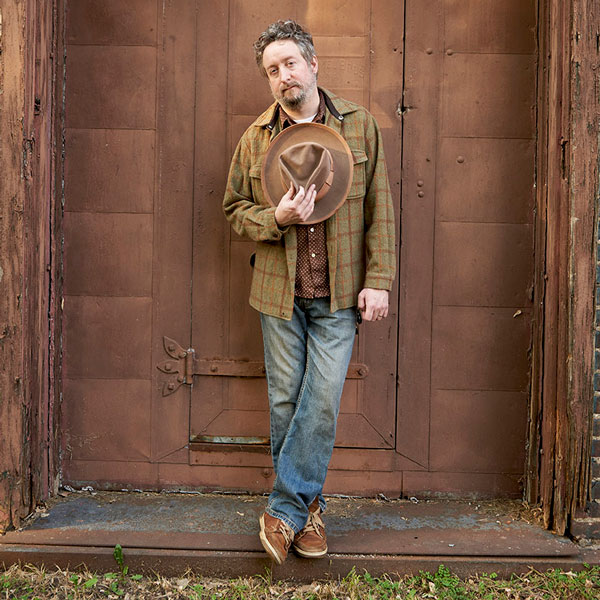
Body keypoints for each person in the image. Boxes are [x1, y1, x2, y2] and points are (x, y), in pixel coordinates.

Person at [223, 19, 396, 564]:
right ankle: (310, 510)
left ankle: (283, 510)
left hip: (340, 295)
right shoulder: (256, 138)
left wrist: (379, 280)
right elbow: (233, 211)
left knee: (319, 402)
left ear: (313, 63)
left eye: (290, 63)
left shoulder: (359, 126)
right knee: (284, 403)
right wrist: (274, 217)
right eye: (272, 70)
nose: (282, 76)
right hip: (279, 292)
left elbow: (380, 210)